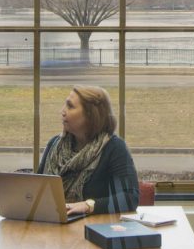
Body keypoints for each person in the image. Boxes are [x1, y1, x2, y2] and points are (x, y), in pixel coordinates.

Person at [37, 84, 142, 219]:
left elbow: (130, 198)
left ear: (90, 115)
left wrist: (88, 206)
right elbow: (38, 189)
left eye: (70, 106)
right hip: (50, 226)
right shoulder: (54, 144)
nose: (62, 111)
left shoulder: (114, 148)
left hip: (92, 229)